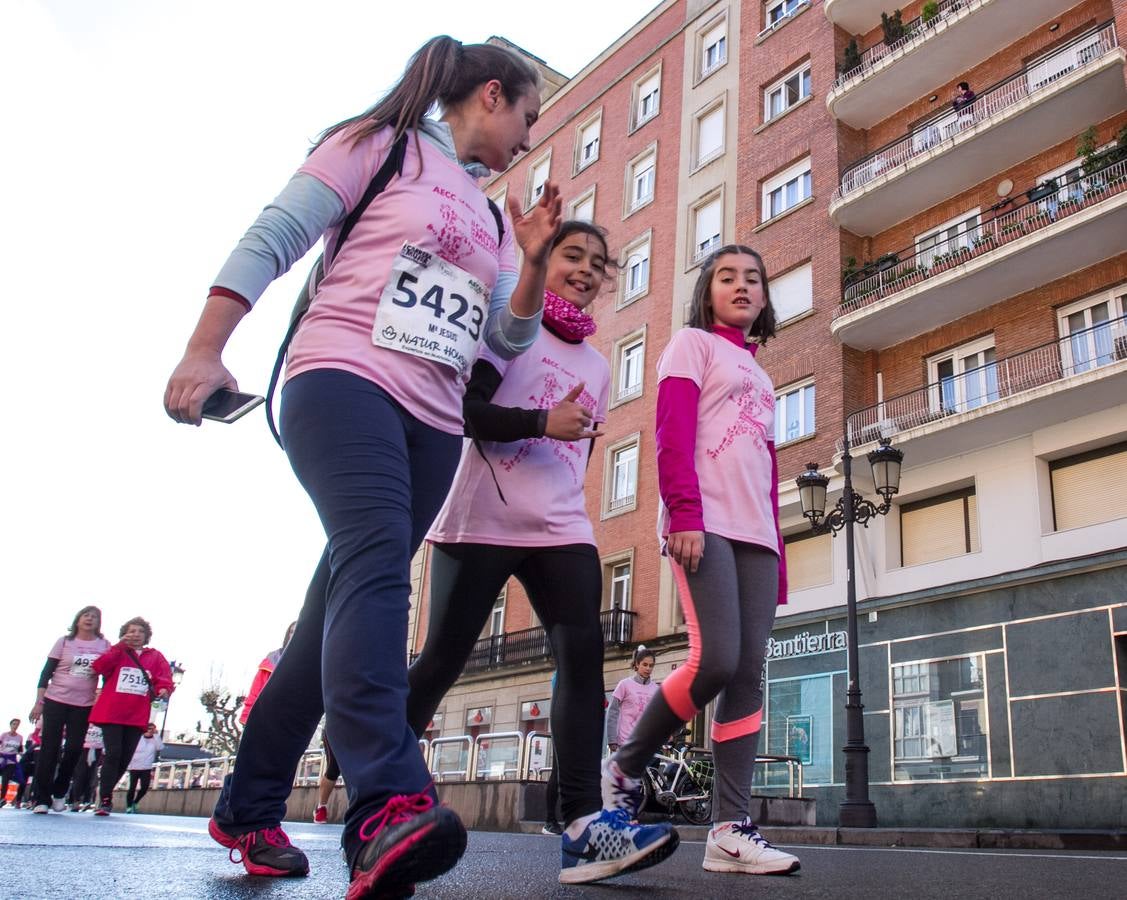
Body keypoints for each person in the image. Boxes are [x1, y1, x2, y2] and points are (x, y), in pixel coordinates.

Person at [164, 35, 561, 898]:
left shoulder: (491, 215)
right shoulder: (376, 143)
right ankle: (385, 800)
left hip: (433, 423)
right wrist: (205, 350)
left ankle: (249, 803)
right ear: (492, 95)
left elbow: (507, 338)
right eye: (528, 117)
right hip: (342, 381)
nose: (529, 139)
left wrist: (529, 264)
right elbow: (276, 235)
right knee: (380, 569)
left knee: (331, 616)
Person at [406, 220, 677, 885]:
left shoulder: (598, 364)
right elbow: (468, 413)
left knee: (582, 660)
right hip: (481, 519)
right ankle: (376, 778)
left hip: (560, 525)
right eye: (570, 255)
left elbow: (579, 447)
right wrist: (538, 422)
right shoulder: (509, 327)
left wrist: (562, 471)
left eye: (596, 262)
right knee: (440, 659)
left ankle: (584, 825)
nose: (584, 269)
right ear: (542, 260)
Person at [599, 245, 801, 877]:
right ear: (707, 291)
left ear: (765, 296)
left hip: (757, 535)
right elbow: (671, 431)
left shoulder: (764, 376)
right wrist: (683, 513)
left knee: (747, 676)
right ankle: (625, 769)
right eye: (727, 277)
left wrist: (779, 555)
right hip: (705, 522)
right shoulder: (691, 344)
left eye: (753, 278)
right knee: (713, 660)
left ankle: (729, 831)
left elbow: (767, 472)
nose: (742, 286)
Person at [29, 605, 111, 814]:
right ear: (78, 619)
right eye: (86, 615)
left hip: (83, 705)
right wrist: (39, 702)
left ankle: (60, 792)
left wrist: (102, 700)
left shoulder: (104, 645)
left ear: (98, 622)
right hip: (55, 700)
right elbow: (45, 673)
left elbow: (107, 675)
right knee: (49, 749)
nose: (89, 619)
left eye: (94, 617)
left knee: (74, 749)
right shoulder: (65, 642)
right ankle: (41, 798)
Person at [89, 617, 174, 816]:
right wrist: (119, 647)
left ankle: (105, 791)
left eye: (140, 631)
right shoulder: (116, 652)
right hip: (112, 712)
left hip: (136, 715)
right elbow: (100, 667)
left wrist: (163, 690)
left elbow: (165, 678)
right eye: (131, 631)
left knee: (125, 758)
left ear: (146, 636)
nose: (135, 634)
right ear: (124, 634)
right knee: (114, 753)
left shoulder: (155, 656)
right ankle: (106, 799)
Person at [239, 622, 296, 726]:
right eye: (291, 631)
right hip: (265, 717)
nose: (294, 634)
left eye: (298, 631)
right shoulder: (271, 660)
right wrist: (247, 717)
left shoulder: (312, 662)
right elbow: (255, 690)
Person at [606, 645, 660, 753]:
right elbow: (612, 712)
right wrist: (612, 740)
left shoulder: (656, 689)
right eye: (645, 665)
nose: (648, 668)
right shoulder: (624, 685)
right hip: (625, 744)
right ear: (637, 664)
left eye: (651, 665)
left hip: (646, 744)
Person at [125, 723, 163, 813]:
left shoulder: (155, 740)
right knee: (132, 787)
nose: (150, 730)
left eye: (153, 729)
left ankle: (136, 801)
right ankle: (129, 806)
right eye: (149, 728)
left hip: (146, 767)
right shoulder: (138, 738)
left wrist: (156, 735)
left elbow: (160, 747)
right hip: (134, 766)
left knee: (145, 787)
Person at [68, 723, 104, 811]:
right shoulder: (83, 720)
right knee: (79, 775)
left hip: (97, 751)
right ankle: (75, 800)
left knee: (92, 777)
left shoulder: (103, 724)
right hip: (83, 750)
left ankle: (87, 800)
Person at [312, 735, 340, 824]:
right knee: (333, 768)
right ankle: (321, 808)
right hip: (339, 728)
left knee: (334, 768)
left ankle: (321, 809)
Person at [0, 719, 23, 808]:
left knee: (5, 780)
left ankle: (2, 799)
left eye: (17, 724)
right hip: (2, 759)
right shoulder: (4, 735)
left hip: (11, 761)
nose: (15, 726)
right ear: (10, 725)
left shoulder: (20, 737)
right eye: (14, 724)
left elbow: (20, 750)